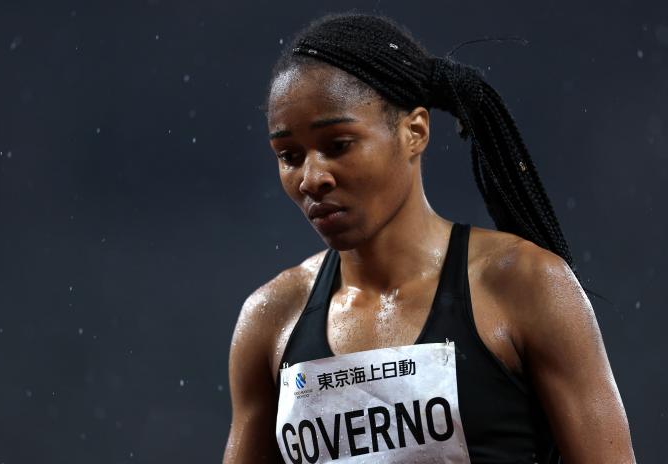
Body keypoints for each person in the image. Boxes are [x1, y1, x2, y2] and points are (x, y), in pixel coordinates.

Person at [224, 12, 635, 464]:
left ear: (414, 132)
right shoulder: (271, 318)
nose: (311, 177)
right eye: (289, 155)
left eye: (338, 145)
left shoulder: (524, 285)